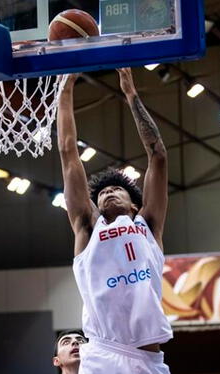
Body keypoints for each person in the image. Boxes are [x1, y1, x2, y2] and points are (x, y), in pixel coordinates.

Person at [56, 68, 172, 374]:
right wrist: (66, 85)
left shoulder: (147, 226)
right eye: (102, 192)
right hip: (103, 354)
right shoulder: (87, 228)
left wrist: (130, 92)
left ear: (134, 204)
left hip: (147, 359)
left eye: (115, 189)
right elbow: (68, 152)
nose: (107, 192)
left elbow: (157, 154)